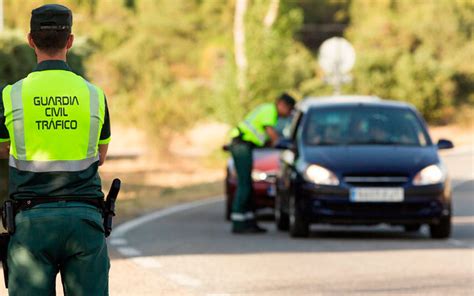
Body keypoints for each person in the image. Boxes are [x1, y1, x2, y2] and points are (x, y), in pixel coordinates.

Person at [0, 4, 111, 295]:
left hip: (31, 224)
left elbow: (2, 148)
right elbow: (99, 155)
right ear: (70, 41)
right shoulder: (93, 95)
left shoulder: (11, 95)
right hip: (85, 221)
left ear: (30, 40)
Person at [229, 93, 295, 234]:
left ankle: (249, 220)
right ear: (281, 104)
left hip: (246, 146)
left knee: (248, 185)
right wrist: (283, 144)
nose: (288, 113)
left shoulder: (269, 111)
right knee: (244, 184)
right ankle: (238, 221)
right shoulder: (269, 111)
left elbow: (264, 137)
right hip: (241, 145)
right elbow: (271, 133)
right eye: (289, 110)